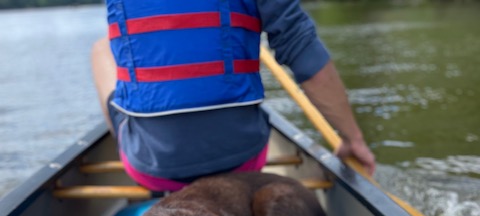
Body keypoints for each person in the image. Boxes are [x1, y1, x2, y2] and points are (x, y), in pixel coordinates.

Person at [91, 0, 375, 193]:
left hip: (154, 168)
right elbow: (305, 52)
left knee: (102, 49)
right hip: (243, 159)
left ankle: (131, 139)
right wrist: (353, 138)